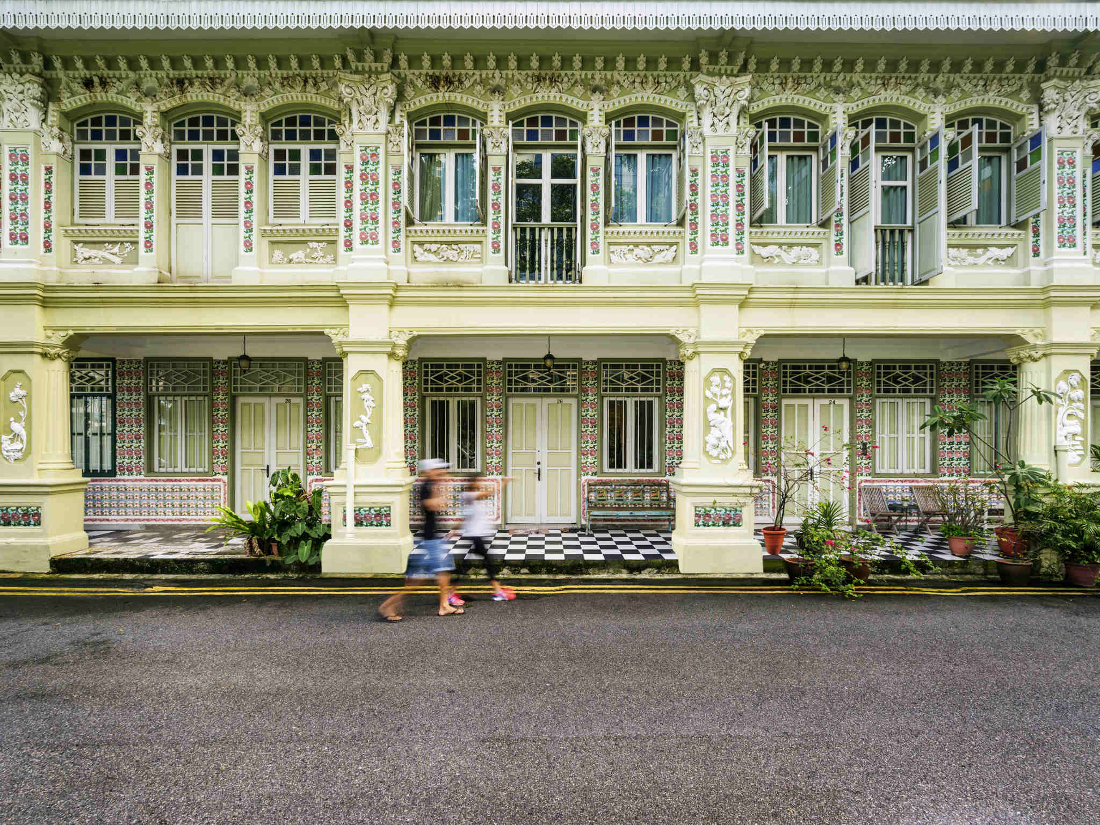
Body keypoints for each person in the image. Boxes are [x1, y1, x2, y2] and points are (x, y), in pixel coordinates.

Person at [379, 458, 463, 621]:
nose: (441, 473)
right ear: (429, 471)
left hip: (431, 538)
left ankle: (444, 605)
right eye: (438, 470)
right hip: (428, 540)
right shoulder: (425, 487)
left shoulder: (430, 485)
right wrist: (442, 492)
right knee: (416, 582)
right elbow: (432, 505)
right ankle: (387, 606)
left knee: (442, 573)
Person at [449, 474, 515, 605]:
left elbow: (465, 517)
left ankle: (451, 592)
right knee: (486, 562)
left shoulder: (472, 497)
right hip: (475, 536)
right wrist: (503, 482)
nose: (479, 484)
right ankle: (497, 591)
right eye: (478, 481)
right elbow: (489, 493)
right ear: (472, 483)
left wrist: (455, 530)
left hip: (477, 535)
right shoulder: (469, 496)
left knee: (468, 565)